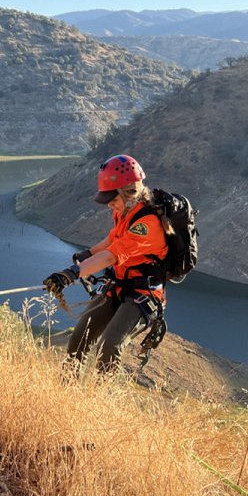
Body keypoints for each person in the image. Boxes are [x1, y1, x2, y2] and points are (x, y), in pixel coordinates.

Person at [44, 154, 169, 373]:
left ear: (130, 192)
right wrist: (90, 252)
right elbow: (113, 239)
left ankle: (103, 398)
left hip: (143, 294)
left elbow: (112, 255)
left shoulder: (147, 224)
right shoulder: (125, 211)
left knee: (109, 347)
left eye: (113, 198)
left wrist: (72, 274)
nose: (109, 204)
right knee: (79, 338)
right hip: (118, 286)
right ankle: (67, 389)